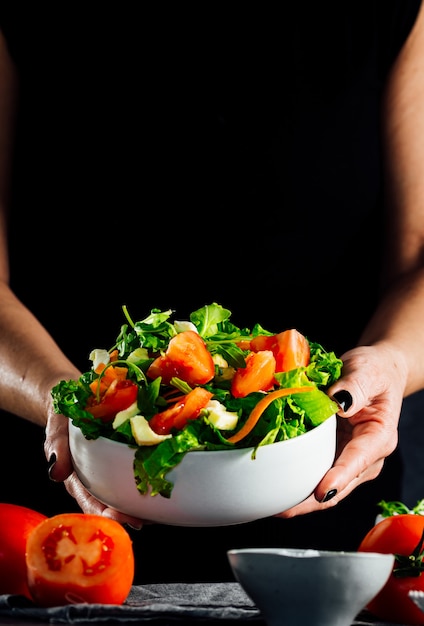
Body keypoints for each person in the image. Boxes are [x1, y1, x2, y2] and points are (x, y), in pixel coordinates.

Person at [0, 2, 423, 582]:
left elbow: (420, 256)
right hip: (66, 526)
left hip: (323, 502)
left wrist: (392, 361)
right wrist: (62, 395)